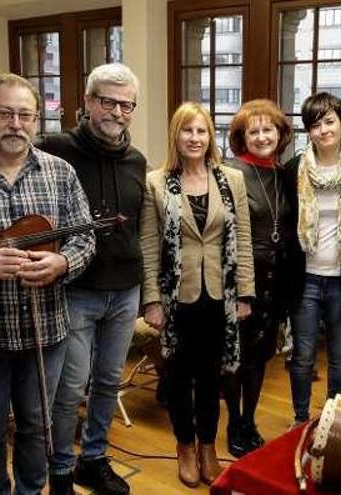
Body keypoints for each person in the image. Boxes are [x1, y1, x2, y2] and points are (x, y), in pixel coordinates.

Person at [0, 63, 148, 495]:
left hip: (45, 333)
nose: (15, 123)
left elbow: (83, 239)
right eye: (4, 113)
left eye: (25, 115)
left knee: (37, 428)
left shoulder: (59, 172)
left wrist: (63, 264)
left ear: (35, 121)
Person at [140, 102, 254, 487]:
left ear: (211, 136)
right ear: (176, 135)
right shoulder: (156, 182)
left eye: (201, 131)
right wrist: (152, 301)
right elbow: (149, 244)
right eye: (187, 130)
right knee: (177, 378)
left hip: (221, 296)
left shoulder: (231, 180)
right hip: (176, 298)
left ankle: (208, 446)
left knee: (212, 378)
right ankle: (184, 445)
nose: (194, 138)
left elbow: (244, 242)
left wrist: (245, 295)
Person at [282, 92, 341, 425]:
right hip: (306, 279)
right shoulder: (293, 169)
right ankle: (301, 418)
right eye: (315, 125)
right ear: (308, 132)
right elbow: (287, 224)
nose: (323, 130)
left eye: (329, 121)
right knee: (302, 356)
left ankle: (334, 420)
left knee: (340, 356)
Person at [222, 99, 293, 457]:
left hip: (275, 281)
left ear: (280, 135)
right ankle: (234, 423)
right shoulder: (229, 171)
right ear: (241, 137)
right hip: (243, 282)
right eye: (254, 131)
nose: (262, 136)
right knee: (237, 356)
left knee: (262, 355)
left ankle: (250, 419)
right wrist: (237, 289)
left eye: (269, 129)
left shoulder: (283, 173)